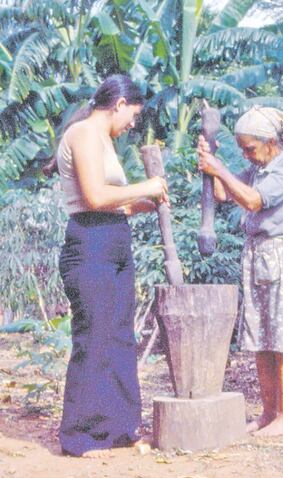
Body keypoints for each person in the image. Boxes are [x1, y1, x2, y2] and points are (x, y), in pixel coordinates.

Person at [49, 74, 169, 457]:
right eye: (132, 115)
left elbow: (113, 202)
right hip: (89, 245)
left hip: (114, 240)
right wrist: (146, 187)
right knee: (94, 338)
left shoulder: (105, 140)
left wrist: (141, 204)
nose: (132, 124)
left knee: (119, 337)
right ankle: (80, 437)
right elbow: (95, 196)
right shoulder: (83, 133)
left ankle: (119, 429)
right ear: (118, 104)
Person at [197, 106, 283, 437]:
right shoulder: (260, 167)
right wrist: (213, 165)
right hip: (260, 255)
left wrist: (219, 166)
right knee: (262, 338)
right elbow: (225, 194)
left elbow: (252, 201)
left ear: (269, 142)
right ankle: (268, 413)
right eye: (242, 149)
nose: (246, 155)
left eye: (249, 148)